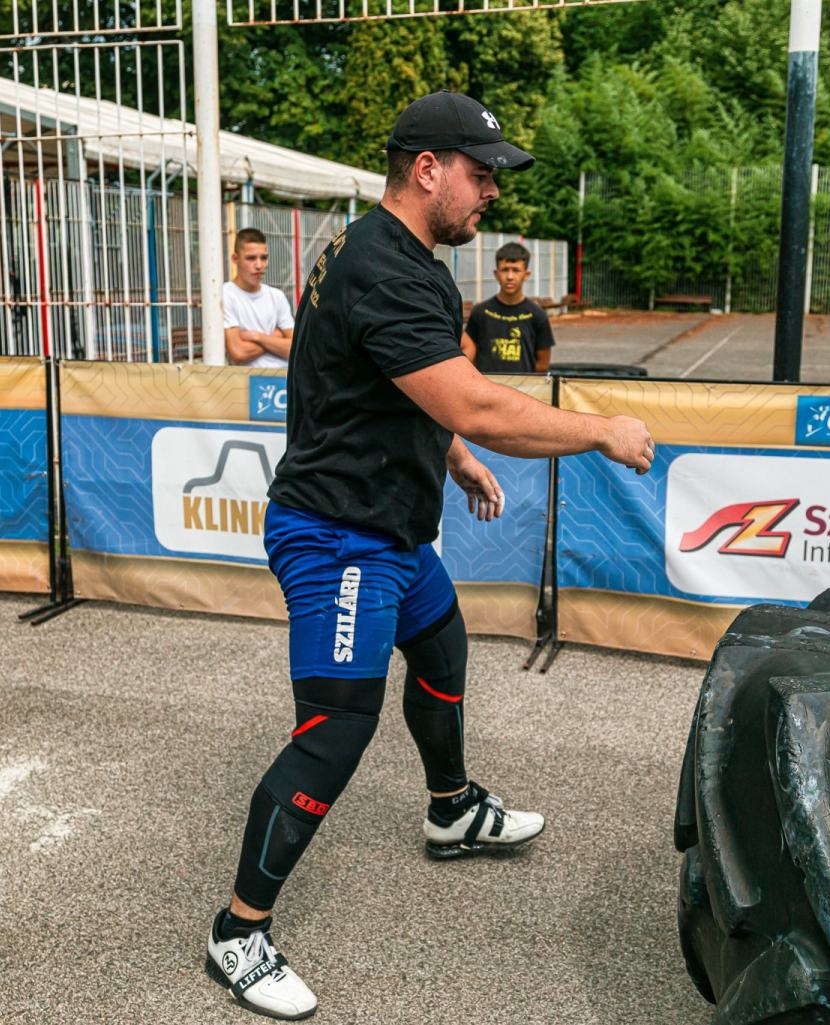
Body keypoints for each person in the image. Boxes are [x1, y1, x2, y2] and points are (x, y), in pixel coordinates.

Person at [204, 90, 654, 1021]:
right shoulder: (386, 269)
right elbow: (477, 402)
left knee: (443, 649)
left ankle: (449, 806)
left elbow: (388, 386)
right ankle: (238, 930)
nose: (492, 192)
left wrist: (452, 456)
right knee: (335, 730)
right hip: (338, 534)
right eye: (480, 174)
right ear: (426, 169)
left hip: (393, 527)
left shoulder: (388, 253)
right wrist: (600, 427)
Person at [461, 241, 555, 373]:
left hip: (524, 385)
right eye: (505, 270)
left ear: (526, 275)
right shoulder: (480, 312)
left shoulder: (538, 315)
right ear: (496, 274)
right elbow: (471, 354)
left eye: (516, 270)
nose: (510, 277)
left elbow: (543, 365)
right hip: (486, 385)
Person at [224, 227, 294, 368]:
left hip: (283, 378)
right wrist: (276, 337)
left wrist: (256, 336)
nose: (259, 265)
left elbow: (294, 348)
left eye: (264, 258)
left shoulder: (277, 296)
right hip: (246, 380)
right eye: (251, 258)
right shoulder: (225, 294)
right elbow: (238, 352)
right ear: (235, 259)